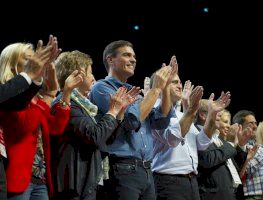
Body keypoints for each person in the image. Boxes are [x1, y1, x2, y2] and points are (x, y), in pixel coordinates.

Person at [90, 40, 176, 199]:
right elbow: (132, 122)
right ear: (110, 60)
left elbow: (161, 121)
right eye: (127, 55)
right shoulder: (101, 88)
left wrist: (165, 90)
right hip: (122, 168)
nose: (133, 60)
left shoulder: (135, 93)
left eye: (134, 56)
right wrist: (156, 89)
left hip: (147, 171)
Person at [0, 38, 83, 200]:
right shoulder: (8, 95)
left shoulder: (36, 98)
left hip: (41, 177)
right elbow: (24, 126)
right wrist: (48, 96)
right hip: (17, 179)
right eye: (29, 58)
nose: (37, 61)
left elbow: (55, 127)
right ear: (12, 64)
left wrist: (64, 93)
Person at [53, 50, 139, 200]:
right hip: (73, 185)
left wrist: (119, 113)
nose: (93, 77)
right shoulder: (68, 104)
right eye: (89, 73)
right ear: (77, 76)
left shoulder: (86, 107)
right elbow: (94, 136)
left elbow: (106, 140)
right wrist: (111, 111)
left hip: (86, 181)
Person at [151, 73, 231, 200]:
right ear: (161, 85)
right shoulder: (154, 110)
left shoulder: (180, 114)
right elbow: (173, 139)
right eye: (174, 82)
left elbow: (201, 143)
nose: (179, 86)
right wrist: (192, 109)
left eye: (180, 82)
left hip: (191, 181)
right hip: (169, 181)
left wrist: (212, 115)